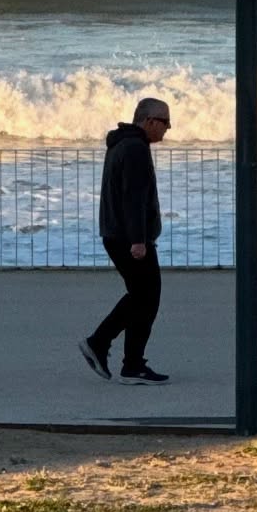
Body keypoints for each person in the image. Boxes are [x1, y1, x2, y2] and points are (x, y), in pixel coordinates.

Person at [79, 97, 171, 385]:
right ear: (149, 121)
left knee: (143, 297)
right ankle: (102, 344)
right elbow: (134, 197)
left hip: (117, 234)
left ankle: (129, 362)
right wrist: (138, 240)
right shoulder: (134, 148)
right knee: (145, 296)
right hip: (127, 238)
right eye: (165, 122)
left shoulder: (123, 144)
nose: (168, 128)